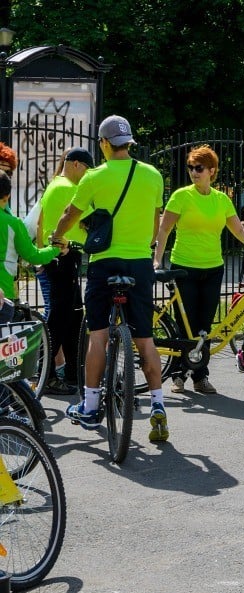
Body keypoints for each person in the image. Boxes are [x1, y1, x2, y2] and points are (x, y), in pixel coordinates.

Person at [51, 115, 170, 442]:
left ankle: (89, 406)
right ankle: (158, 406)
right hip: (140, 264)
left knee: (99, 334)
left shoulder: (94, 177)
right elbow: (154, 222)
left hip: (104, 264)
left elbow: (69, 215)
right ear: (129, 142)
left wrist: (56, 235)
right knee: (145, 338)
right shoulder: (153, 175)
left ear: (104, 143)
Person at [153, 144, 244, 395]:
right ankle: (178, 374)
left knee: (204, 325)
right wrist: (156, 260)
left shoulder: (221, 199)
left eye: (199, 168)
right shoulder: (181, 196)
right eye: (191, 168)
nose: (194, 172)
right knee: (186, 324)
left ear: (212, 170)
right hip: (184, 267)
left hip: (213, 269)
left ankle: (200, 376)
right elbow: (164, 229)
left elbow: (239, 231)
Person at [36, 147, 95, 395]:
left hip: (60, 256)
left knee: (72, 316)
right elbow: (92, 220)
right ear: (75, 165)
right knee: (60, 319)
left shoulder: (55, 185)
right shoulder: (68, 188)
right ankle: (46, 374)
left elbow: (40, 222)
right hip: (64, 256)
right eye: (87, 170)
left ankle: (72, 370)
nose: (87, 175)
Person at [0, 172, 62, 325]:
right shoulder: (13, 224)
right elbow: (33, 255)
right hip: (5, 293)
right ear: (7, 196)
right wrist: (55, 249)